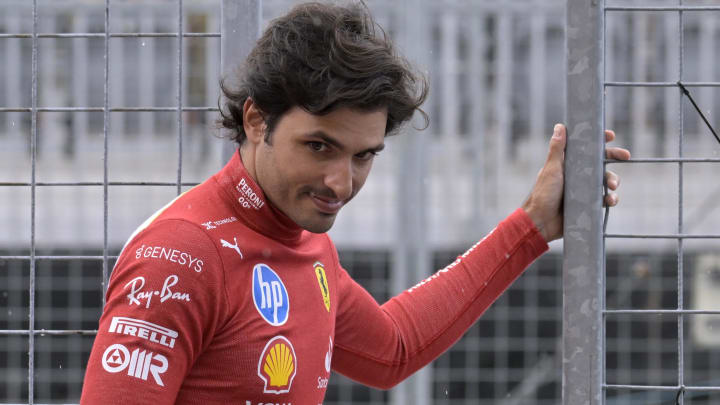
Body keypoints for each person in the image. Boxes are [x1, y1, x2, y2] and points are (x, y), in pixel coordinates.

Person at [80, 2, 630, 404]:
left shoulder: (305, 242)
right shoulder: (182, 256)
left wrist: (531, 226)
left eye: (364, 156)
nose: (340, 183)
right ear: (255, 120)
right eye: (319, 147)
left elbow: (391, 350)